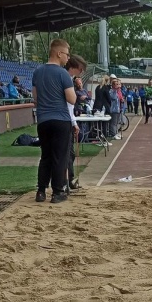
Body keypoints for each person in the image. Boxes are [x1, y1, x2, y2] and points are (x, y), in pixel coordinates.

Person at [31, 38, 77, 204]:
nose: (68, 57)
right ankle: (58, 192)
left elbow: (35, 98)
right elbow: (72, 100)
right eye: (66, 54)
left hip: (43, 120)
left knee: (46, 156)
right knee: (60, 156)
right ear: (58, 54)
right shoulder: (63, 73)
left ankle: (41, 191)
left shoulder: (37, 71)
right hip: (60, 120)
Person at [63, 55, 87, 193]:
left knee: (70, 154)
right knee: (65, 154)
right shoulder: (66, 79)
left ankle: (69, 180)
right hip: (64, 120)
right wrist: (73, 121)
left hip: (69, 120)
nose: (81, 73)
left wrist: (74, 122)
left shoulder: (70, 80)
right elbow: (69, 103)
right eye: (81, 69)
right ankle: (63, 183)